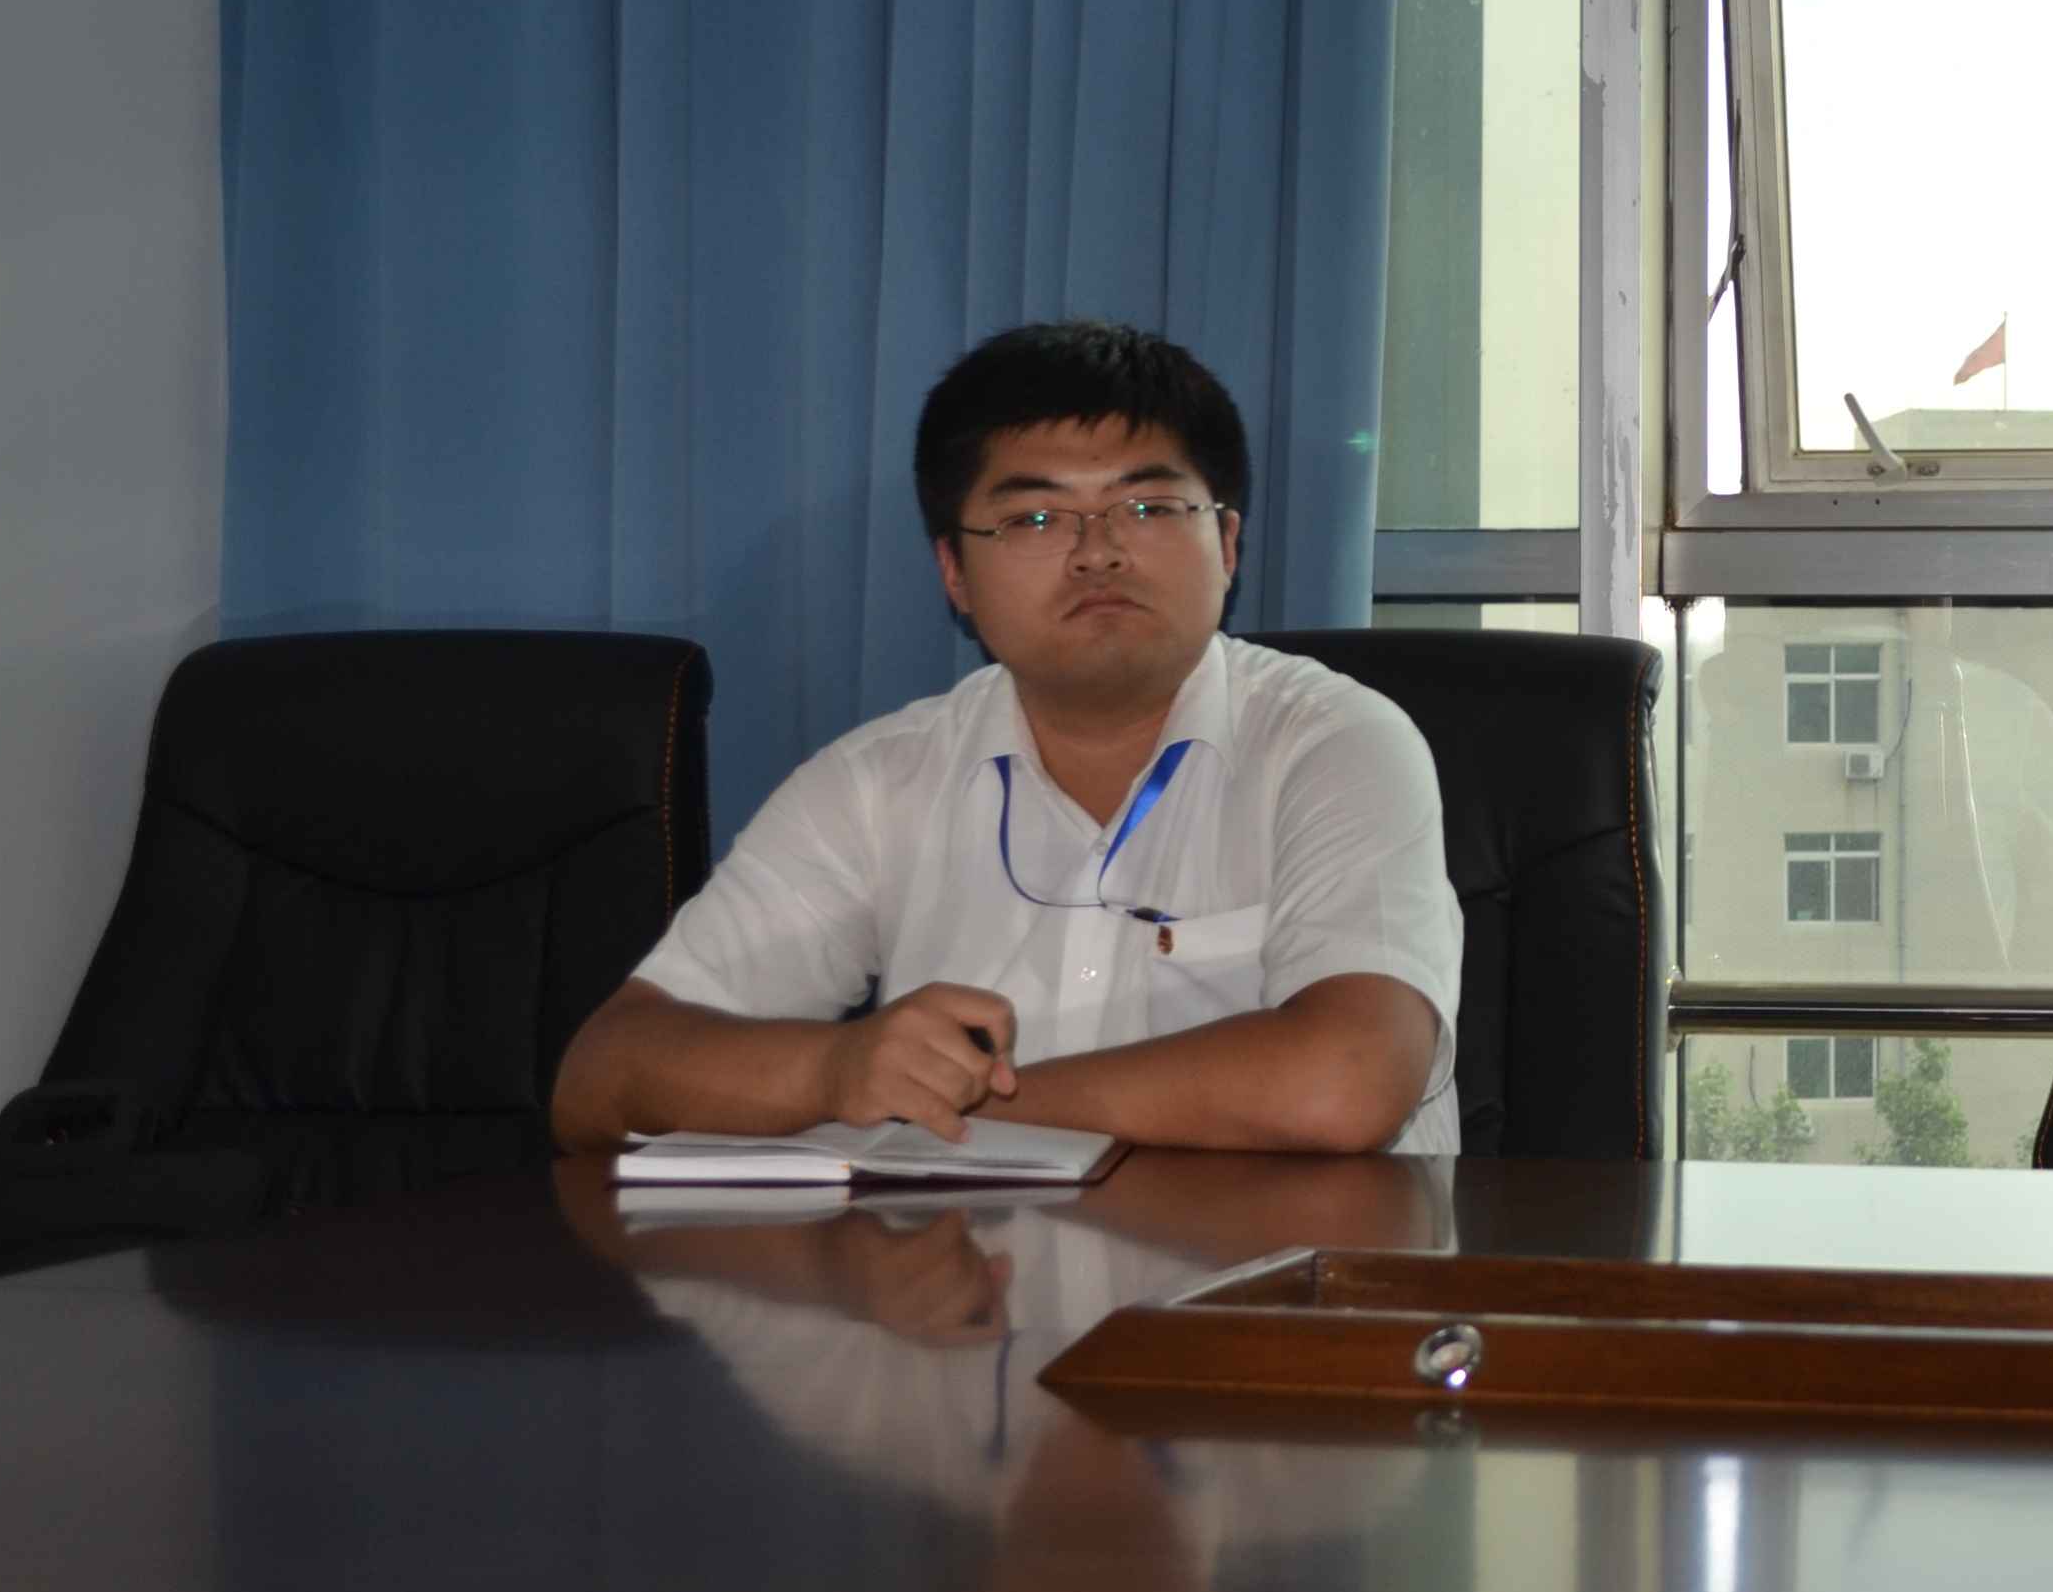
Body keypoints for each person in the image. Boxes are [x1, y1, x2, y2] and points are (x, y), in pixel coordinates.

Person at [551, 321, 1463, 1155]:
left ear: (1226, 544)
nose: (1098, 551)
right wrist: (834, 1071)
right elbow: (603, 1079)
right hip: (972, 1280)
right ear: (954, 573)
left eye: (1148, 509)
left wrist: (945, 1106)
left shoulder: (1336, 744)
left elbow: (1345, 1082)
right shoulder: (879, 782)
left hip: (1287, 1281)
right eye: (1034, 519)